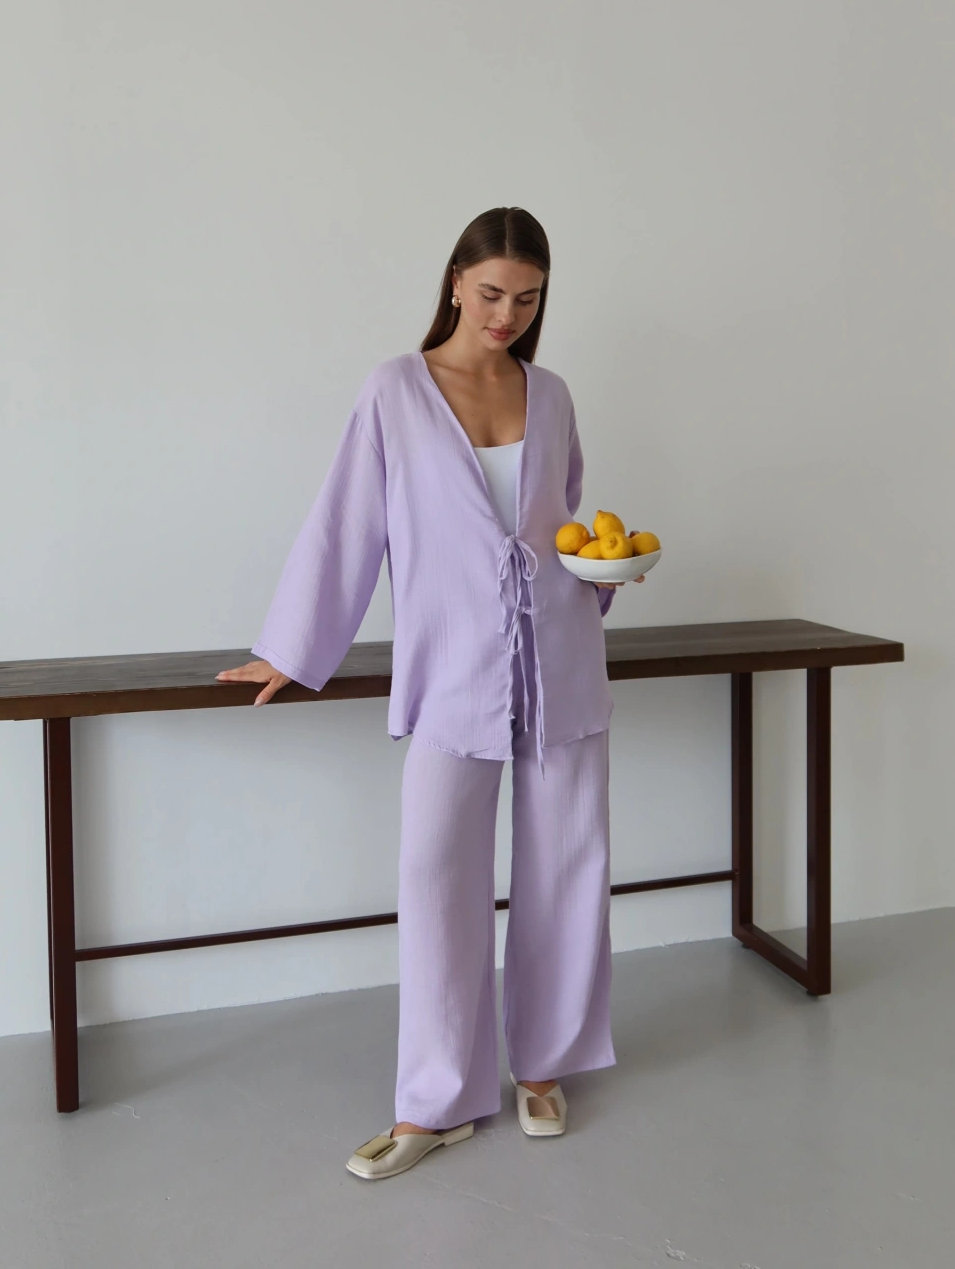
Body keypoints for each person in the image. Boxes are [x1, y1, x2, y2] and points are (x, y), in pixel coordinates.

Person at [216, 206, 646, 1181]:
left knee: (568, 865)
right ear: (455, 281)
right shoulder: (395, 391)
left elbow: (565, 526)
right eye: (491, 293)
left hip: (562, 659)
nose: (506, 314)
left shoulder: (552, 394)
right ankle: (437, 1099)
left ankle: (545, 1065)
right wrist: (290, 649)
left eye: (527, 299)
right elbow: (347, 522)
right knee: (435, 876)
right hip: (453, 667)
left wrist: (604, 574)